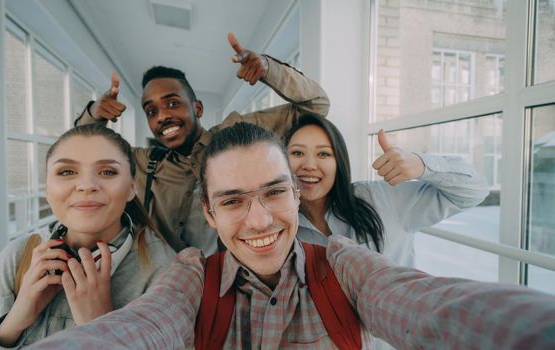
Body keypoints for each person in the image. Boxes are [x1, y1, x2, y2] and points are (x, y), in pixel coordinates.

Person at [30, 123, 555, 349]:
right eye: (233, 200)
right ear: (209, 216)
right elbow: (147, 324)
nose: (259, 221)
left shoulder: (345, 259)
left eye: (274, 193)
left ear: (295, 195)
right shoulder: (191, 275)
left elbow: (427, 305)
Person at [75, 33, 329, 254]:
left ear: (197, 108)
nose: (162, 116)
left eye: (173, 103)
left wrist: (268, 69)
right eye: (151, 111)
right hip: (169, 288)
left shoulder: (239, 134)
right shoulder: (144, 164)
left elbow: (316, 106)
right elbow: (82, 151)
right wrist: (95, 114)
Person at [0, 124, 174, 349]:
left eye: (108, 172)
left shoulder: (164, 271)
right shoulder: (17, 256)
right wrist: (13, 323)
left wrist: (102, 329)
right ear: (47, 191)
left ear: (131, 188)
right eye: (67, 172)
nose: (87, 185)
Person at [286, 113, 489, 266]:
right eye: (297, 152)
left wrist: (421, 165)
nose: (309, 165)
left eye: (323, 154)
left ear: (339, 162)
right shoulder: (278, 225)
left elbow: (474, 191)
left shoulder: (382, 199)